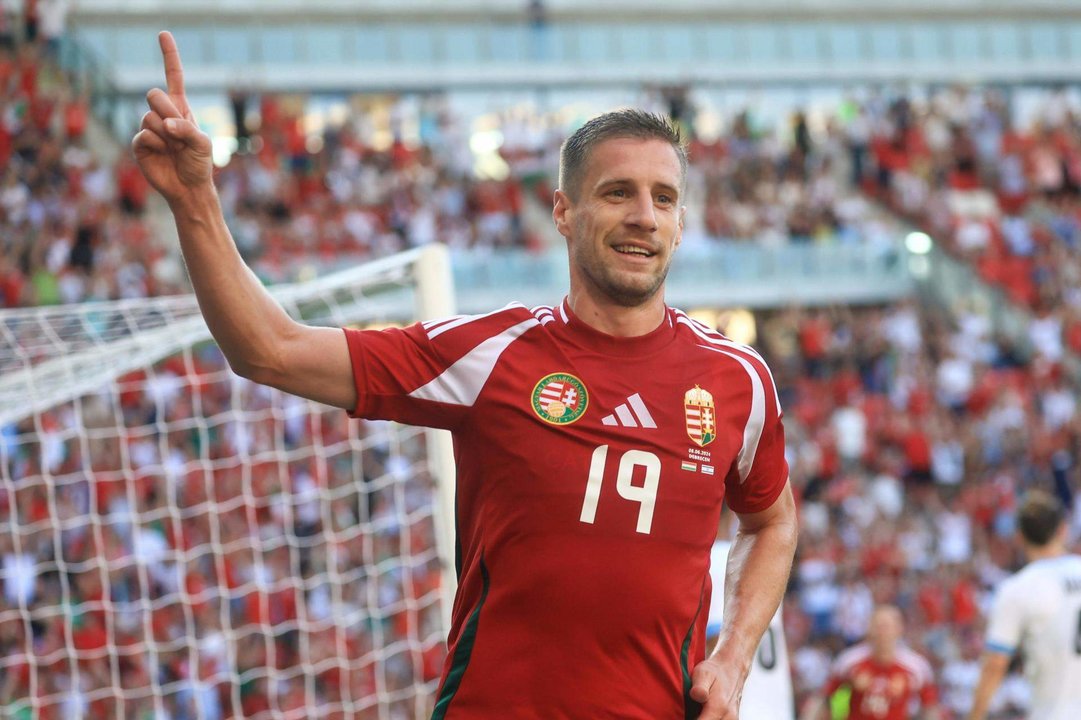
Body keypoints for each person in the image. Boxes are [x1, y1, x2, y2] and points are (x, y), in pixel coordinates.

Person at [133, 31, 798, 719]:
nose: (643, 217)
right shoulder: (491, 354)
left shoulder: (735, 379)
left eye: (663, 198)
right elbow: (268, 349)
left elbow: (771, 523)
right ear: (564, 212)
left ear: (682, 222)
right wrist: (194, 202)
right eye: (617, 193)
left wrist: (733, 656)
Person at [966, 489, 1081, 720]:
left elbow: (996, 664)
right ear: (1063, 529)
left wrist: (975, 715)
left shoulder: (1017, 589)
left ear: (1018, 536)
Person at [707, 513, 794, 720]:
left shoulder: (714, 561)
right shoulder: (758, 562)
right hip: (775, 705)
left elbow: (715, 643)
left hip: (738, 706)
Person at [804, 605, 940, 720]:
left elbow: (930, 706)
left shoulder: (916, 667)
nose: (882, 632)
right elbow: (823, 698)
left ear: (899, 629)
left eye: (886, 626)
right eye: (877, 626)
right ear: (869, 629)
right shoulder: (849, 661)